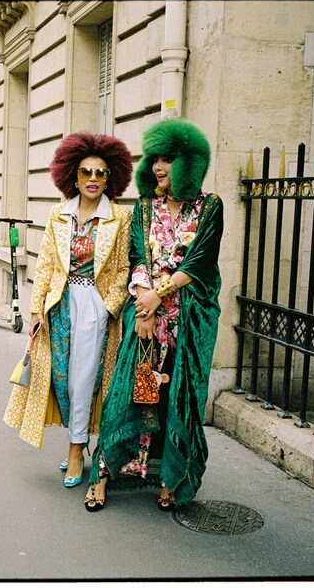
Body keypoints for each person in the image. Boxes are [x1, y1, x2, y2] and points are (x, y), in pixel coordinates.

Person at [83, 118, 223, 513]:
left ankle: (172, 477)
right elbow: (137, 258)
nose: (159, 167)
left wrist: (158, 297)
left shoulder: (210, 207)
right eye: (155, 160)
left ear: (189, 163)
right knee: (128, 390)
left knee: (180, 395)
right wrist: (144, 304)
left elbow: (199, 262)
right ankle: (104, 474)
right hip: (145, 314)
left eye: (168, 159)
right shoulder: (145, 208)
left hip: (189, 319)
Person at [3, 132, 133, 489]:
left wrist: (110, 306)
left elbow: (123, 268)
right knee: (60, 380)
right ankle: (78, 438)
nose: (93, 179)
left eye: (101, 173)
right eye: (86, 172)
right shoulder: (58, 214)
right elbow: (45, 264)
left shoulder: (120, 218)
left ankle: (77, 450)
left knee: (83, 381)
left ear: (111, 178)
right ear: (72, 176)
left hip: (95, 305)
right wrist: (35, 310)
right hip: (59, 305)